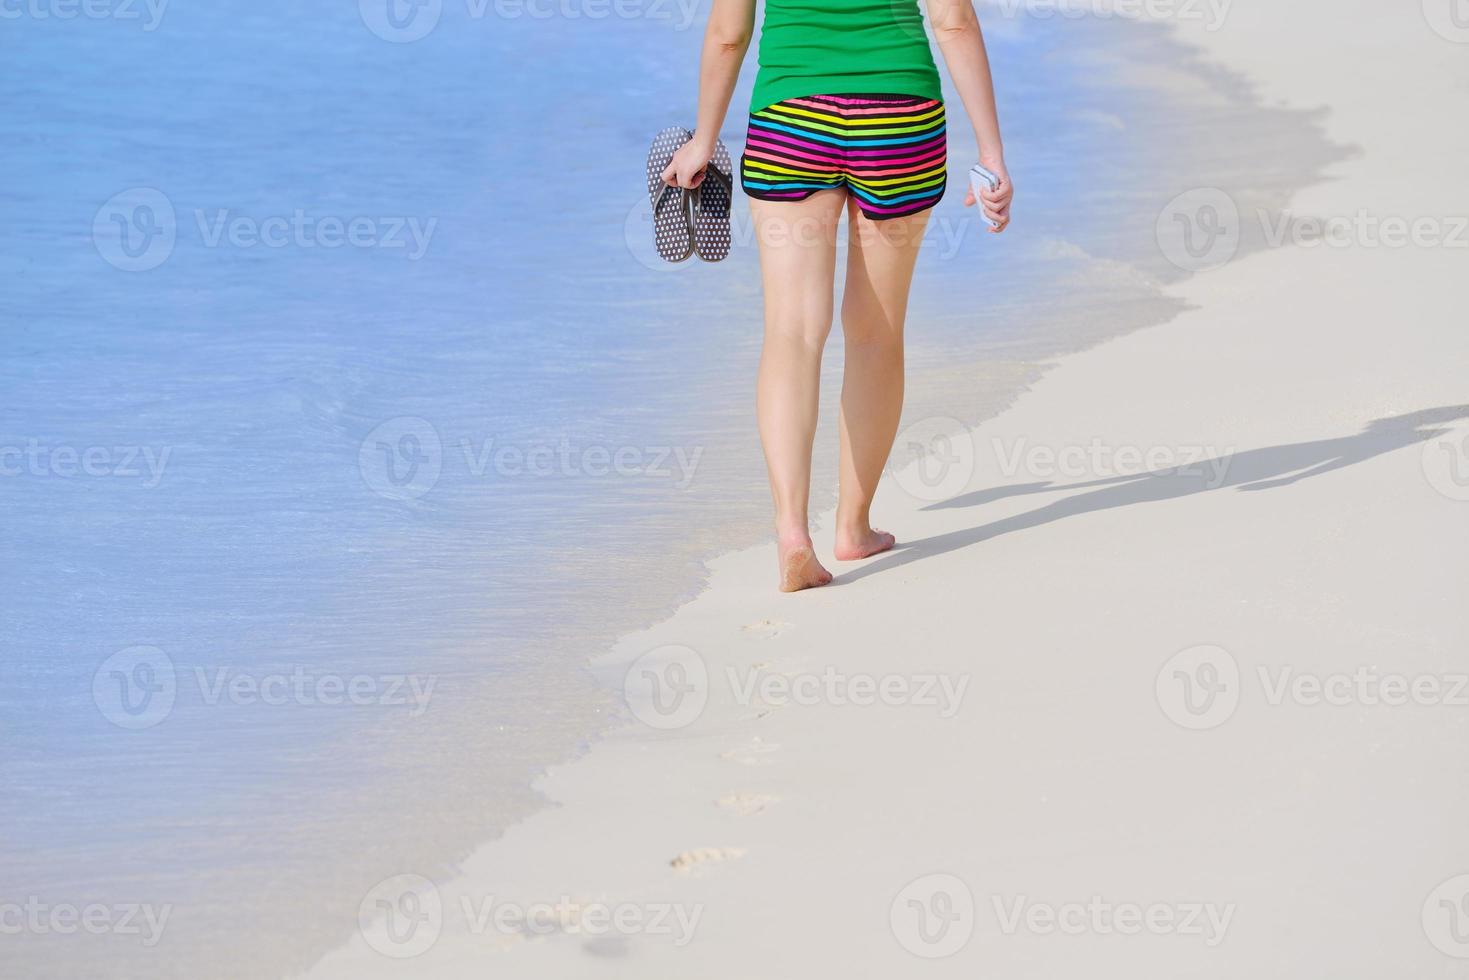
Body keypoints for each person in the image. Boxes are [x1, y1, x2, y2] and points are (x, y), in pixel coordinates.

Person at [662, 0, 1013, 591]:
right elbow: (954, 20)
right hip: (898, 122)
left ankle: (792, 534)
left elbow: (728, 34)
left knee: (793, 333)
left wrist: (703, 137)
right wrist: (991, 154)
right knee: (875, 333)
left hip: (791, 121)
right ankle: (853, 526)